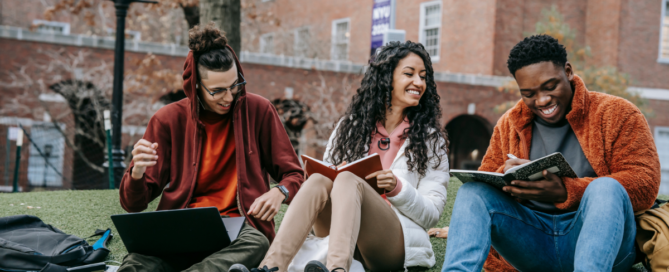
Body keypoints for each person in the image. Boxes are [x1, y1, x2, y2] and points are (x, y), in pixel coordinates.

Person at [441, 34, 661, 272]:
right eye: (529, 94)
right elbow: (487, 181)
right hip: (533, 244)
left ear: (568, 71)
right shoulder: (509, 124)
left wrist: (568, 191)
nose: (542, 100)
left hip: (605, 247)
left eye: (550, 86)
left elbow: (645, 184)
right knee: (473, 191)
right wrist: (509, 179)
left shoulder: (618, 114)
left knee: (606, 187)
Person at [231, 40, 450, 272]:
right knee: (320, 179)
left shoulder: (430, 140)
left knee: (347, 180)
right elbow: (325, 185)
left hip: (392, 243)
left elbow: (432, 214)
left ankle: (338, 269)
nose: (419, 82)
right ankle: (270, 267)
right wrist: (333, 173)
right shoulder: (349, 127)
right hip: (340, 233)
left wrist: (397, 187)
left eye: (423, 76)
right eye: (409, 74)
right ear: (386, 78)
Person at [117, 23, 305, 272]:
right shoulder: (167, 119)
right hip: (181, 226)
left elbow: (295, 174)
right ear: (195, 85)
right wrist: (137, 173)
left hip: (238, 229)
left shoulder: (259, 110)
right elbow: (133, 204)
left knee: (257, 243)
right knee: (136, 261)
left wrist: (279, 191)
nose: (229, 97)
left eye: (235, 85)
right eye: (217, 91)